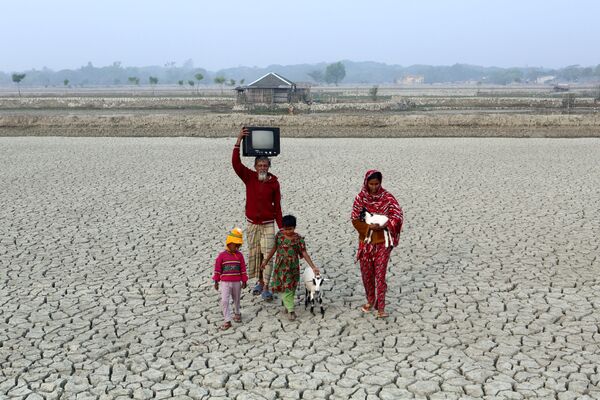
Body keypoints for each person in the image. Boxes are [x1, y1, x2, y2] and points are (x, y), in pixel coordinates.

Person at [233, 127, 283, 301]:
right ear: (255, 167)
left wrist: (282, 228)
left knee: (268, 254)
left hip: (268, 223)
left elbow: (277, 207)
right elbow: (235, 164)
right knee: (256, 254)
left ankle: (267, 287)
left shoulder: (274, 183)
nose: (262, 167)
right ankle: (260, 282)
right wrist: (238, 140)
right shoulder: (249, 177)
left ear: (269, 166)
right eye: (259, 165)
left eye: (265, 165)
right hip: (253, 223)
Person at [351, 170, 403, 318]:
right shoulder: (360, 198)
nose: (374, 187)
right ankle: (370, 299)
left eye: (377, 184)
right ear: (366, 183)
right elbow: (355, 218)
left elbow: (397, 215)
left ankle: (381, 307)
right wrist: (368, 227)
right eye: (371, 184)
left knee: (380, 275)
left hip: (383, 242)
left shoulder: (387, 197)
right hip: (366, 242)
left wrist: (384, 225)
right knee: (367, 273)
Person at [260, 215, 320, 320]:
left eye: (290, 229)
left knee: (292, 286)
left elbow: (304, 253)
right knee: (286, 286)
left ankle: (287, 304)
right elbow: (274, 248)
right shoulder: (279, 236)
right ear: (282, 227)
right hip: (281, 267)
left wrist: (313, 267)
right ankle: (291, 310)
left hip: (293, 267)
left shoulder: (298, 239)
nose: (288, 231)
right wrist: (266, 260)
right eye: (286, 229)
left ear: (295, 227)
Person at [213, 227, 248, 330]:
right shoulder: (222, 256)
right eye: (235, 245)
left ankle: (237, 312)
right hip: (225, 282)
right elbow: (217, 269)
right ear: (229, 243)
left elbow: (242, 268)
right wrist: (216, 281)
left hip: (237, 282)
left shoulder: (240, 256)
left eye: (238, 245)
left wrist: (244, 280)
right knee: (224, 301)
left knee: (237, 299)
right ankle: (227, 320)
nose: (236, 247)